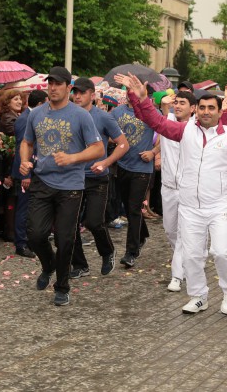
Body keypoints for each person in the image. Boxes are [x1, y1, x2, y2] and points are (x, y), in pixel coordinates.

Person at [119, 73, 227, 316]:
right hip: (190, 206)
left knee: (220, 251)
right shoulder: (185, 130)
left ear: (221, 112)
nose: (206, 112)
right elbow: (156, 122)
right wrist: (143, 98)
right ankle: (199, 296)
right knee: (191, 254)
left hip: (219, 206)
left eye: (212, 108)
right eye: (202, 108)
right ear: (196, 110)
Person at [20, 66, 104, 307]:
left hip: (71, 186)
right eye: (50, 83)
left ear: (69, 88)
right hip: (42, 181)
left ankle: (62, 286)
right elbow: (26, 142)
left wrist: (72, 158)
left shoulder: (81, 116)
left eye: (58, 84)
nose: (53, 88)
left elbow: (98, 148)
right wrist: (25, 160)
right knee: (35, 235)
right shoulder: (36, 114)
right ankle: (49, 265)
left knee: (65, 239)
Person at [70, 77, 130, 277]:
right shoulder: (67, 116)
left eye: (82, 92)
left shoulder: (103, 117)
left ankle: (107, 251)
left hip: (97, 178)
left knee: (93, 222)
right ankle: (80, 265)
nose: (77, 96)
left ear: (92, 95)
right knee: (69, 225)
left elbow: (123, 144)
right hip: (73, 178)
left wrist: (105, 162)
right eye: (75, 92)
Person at [110, 80, 156, 268]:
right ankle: (142, 234)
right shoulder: (116, 112)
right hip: (122, 165)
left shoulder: (150, 112)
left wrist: (153, 152)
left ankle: (131, 252)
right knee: (129, 207)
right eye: (128, 90)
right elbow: (107, 132)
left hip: (142, 168)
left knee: (134, 208)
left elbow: (163, 136)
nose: (131, 93)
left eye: (134, 90)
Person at [157, 90, 196, 291]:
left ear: (193, 108)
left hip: (188, 189)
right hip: (168, 187)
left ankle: (177, 275)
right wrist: (164, 103)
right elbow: (161, 112)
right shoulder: (167, 122)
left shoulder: (197, 127)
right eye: (177, 102)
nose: (178, 105)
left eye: (183, 103)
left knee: (182, 234)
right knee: (171, 230)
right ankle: (185, 262)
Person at [10, 90, 48, 258]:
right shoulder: (25, 119)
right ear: (40, 104)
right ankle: (21, 243)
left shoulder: (33, 117)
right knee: (24, 209)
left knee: (32, 208)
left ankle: (29, 239)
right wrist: (25, 174)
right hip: (25, 172)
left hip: (35, 170)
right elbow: (22, 149)